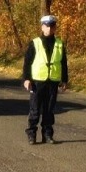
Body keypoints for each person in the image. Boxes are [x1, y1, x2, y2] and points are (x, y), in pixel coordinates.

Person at [22, 14, 68, 144]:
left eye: (52, 26)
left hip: (52, 81)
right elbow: (27, 62)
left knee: (49, 110)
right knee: (35, 110)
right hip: (37, 81)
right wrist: (26, 79)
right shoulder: (35, 43)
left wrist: (64, 80)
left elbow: (63, 63)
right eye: (47, 26)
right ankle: (31, 134)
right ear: (42, 27)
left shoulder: (59, 44)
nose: (50, 28)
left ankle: (47, 135)